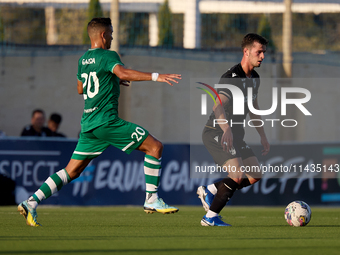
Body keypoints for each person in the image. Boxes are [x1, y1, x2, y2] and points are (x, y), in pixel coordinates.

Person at [18, 17, 181, 227]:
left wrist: (110, 78)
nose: (112, 38)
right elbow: (121, 71)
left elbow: (80, 89)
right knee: (155, 147)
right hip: (106, 122)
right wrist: (156, 76)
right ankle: (151, 199)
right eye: (111, 34)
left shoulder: (83, 59)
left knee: (71, 171)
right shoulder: (108, 55)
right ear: (103, 35)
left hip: (88, 125)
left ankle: (31, 202)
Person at [197, 33, 270, 226]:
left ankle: (211, 190)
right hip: (217, 132)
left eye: (264, 52)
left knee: (255, 175)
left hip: (236, 134)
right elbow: (217, 106)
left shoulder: (254, 78)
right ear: (246, 52)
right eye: (259, 52)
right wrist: (227, 129)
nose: (262, 56)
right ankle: (210, 218)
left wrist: (262, 136)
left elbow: (253, 109)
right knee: (236, 176)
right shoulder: (232, 78)